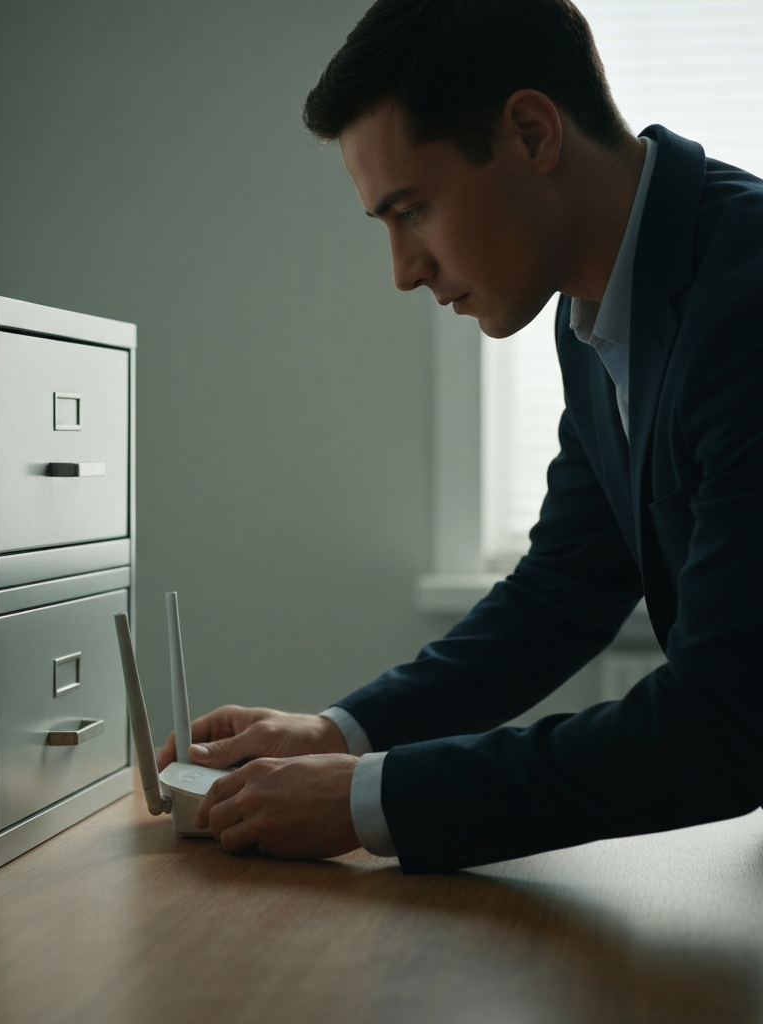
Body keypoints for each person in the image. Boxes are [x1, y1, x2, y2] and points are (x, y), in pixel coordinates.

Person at [156, 0, 763, 872]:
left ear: (530, 132)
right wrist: (340, 733)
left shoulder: (747, 299)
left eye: (413, 211)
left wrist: (372, 797)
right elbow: (563, 590)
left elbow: (724, 722)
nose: (404, 272)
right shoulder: (592, 317)